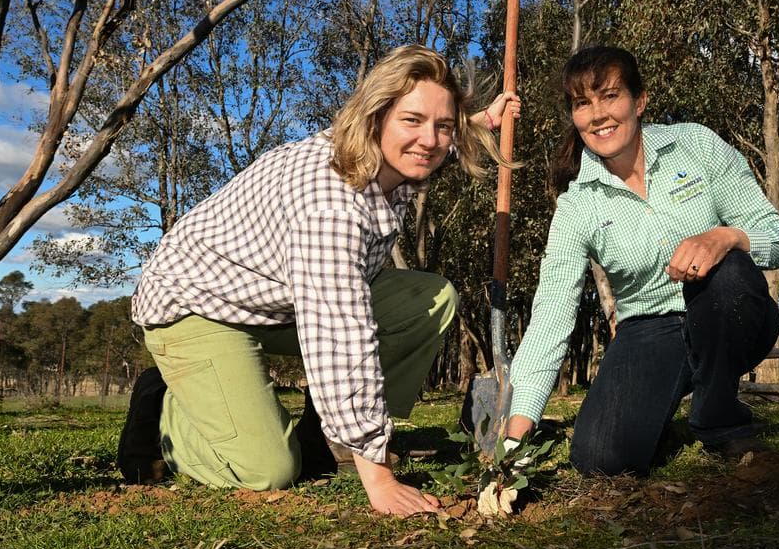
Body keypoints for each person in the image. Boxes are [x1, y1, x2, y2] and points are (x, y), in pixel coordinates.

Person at [117, 45, 519, 516]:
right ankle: (164, 410)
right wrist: (379, 477)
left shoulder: (386, 152)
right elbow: (340, 335)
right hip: (194, 306)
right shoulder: (332, 207)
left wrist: (480, 121)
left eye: (444, 125)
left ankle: (329, 439)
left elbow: (427, 136)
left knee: (429, 298)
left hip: (270, 301)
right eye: (412, 120)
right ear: (375, 117)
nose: (430, 140)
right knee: (269, 469)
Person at [505, 46, 779, 476]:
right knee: (600, 459)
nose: (598, 115)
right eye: (582, 103)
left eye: (610, 96)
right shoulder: (577, 205)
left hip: (728, 311)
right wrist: (515, 436)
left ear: (639, 101)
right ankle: (664, 402)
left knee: (729, 273)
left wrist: (726, 237)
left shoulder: (696, 145)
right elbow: (552, 313)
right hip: (650, 328)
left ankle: (719, 419)